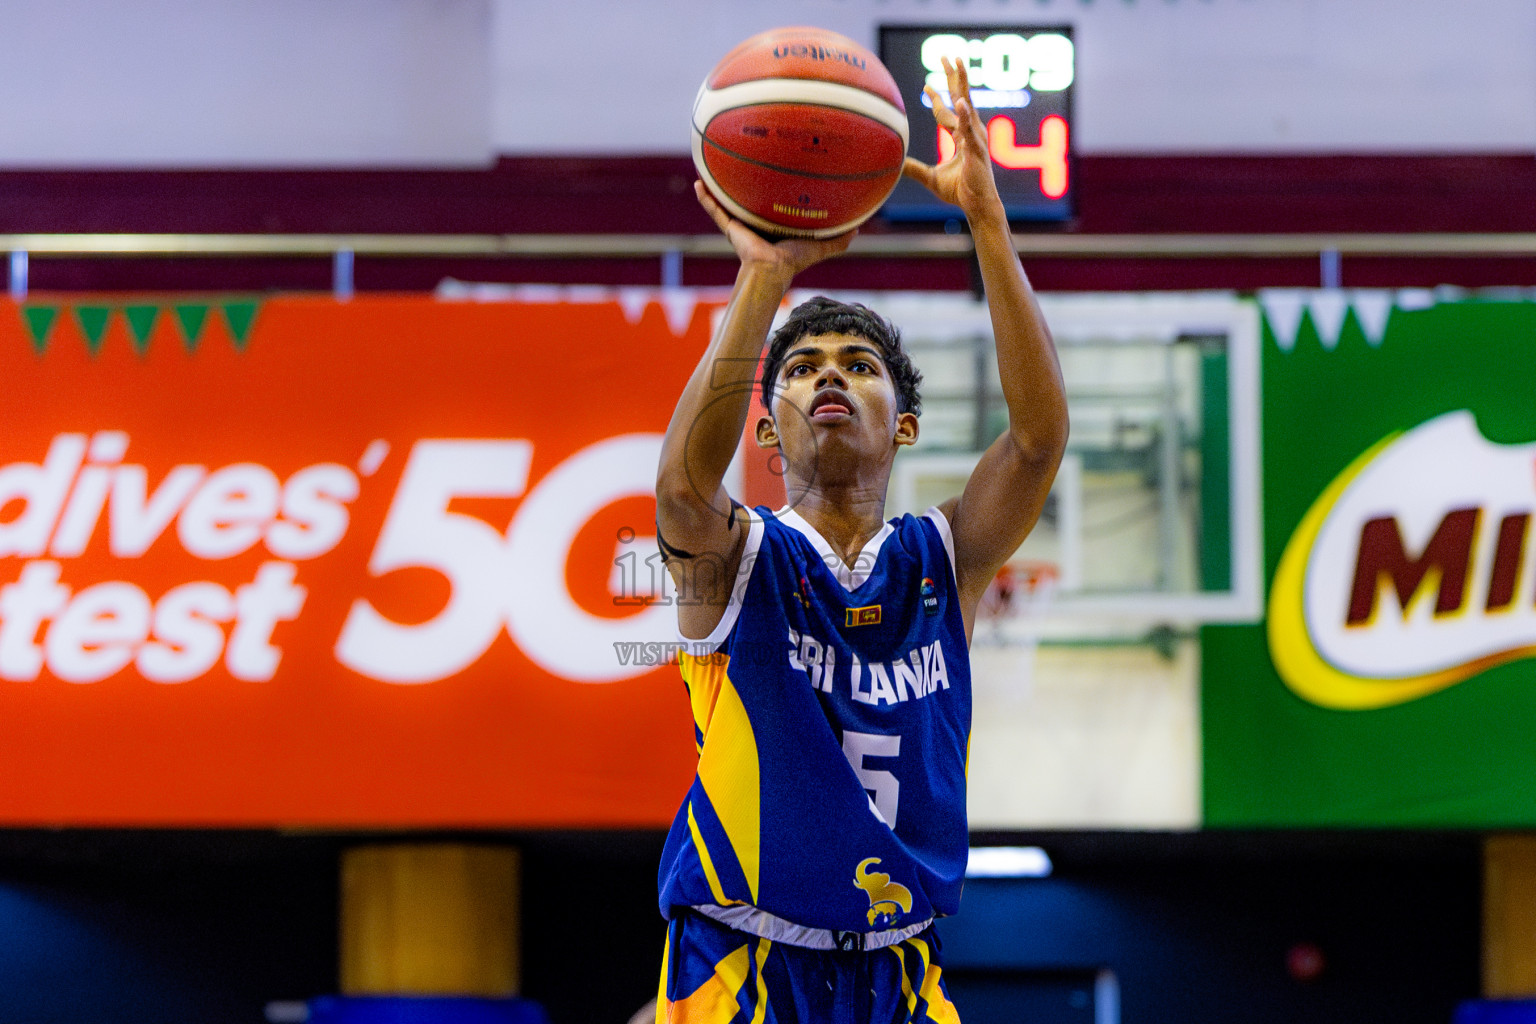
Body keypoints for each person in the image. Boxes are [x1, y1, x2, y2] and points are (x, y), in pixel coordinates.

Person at [652, 57, 1068, 1024]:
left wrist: (988, 223)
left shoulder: (943, 559)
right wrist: (765, 275)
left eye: (859, 365)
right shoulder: (740, 560)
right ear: (766, 429)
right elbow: (680, 489)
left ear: (905, 424)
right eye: (800, 368)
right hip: (742, 966)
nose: (829, 376)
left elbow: (1039, 440)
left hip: (900, 973)